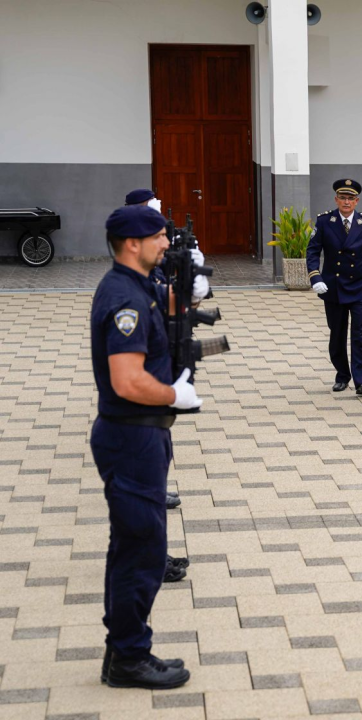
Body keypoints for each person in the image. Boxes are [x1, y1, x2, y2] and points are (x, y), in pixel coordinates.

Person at [91, 205, 198, 689]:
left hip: (142, 433)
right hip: (131, 435)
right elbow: (128, 379)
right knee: (142, 549)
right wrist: (175, 394)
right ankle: (130, 657)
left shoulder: (136, 287)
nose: (164, 242)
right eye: (157, 236)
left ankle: (124, 651)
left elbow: (165, 311)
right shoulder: (123, 298)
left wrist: (187, 291)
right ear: (131, 244)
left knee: (135, 545)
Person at [124, 188, 193, 516]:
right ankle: (144, 489)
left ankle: (151, 487)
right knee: (146, 434)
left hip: (158, 346)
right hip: (144, 368)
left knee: (159, 436)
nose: (163, 241)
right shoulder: (125, 287)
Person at [307, 179, 362, 395]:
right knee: (337, 334)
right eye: (343, 197)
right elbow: (313, 251)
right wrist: (316, 277)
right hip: (334, 287)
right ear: (336, 199)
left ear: (357, 201)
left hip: (360, 287)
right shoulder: (325, 221)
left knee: (361, 335)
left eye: (351, 198)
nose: (347, 202)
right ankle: (342, 375)